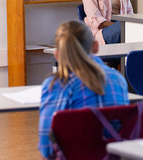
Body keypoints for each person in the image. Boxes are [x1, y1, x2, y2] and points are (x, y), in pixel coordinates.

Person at [38, 21, 129, 159]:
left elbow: (46, 148)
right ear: (96, 47)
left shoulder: (56, 85)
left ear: (57, 54)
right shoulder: (118, 79)